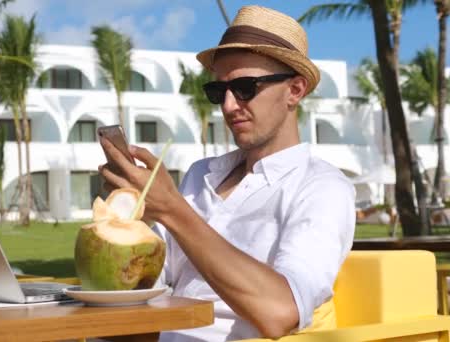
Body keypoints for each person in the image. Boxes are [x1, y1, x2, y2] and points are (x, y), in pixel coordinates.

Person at [98, 5, 355, 341]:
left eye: (246, 87)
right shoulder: (201, 175)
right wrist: (127, 226)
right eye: (219, 92)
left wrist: (174, 211)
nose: (229, 106)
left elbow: (282, 312)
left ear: (295, 90)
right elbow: (149, 292)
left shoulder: (321, 187)